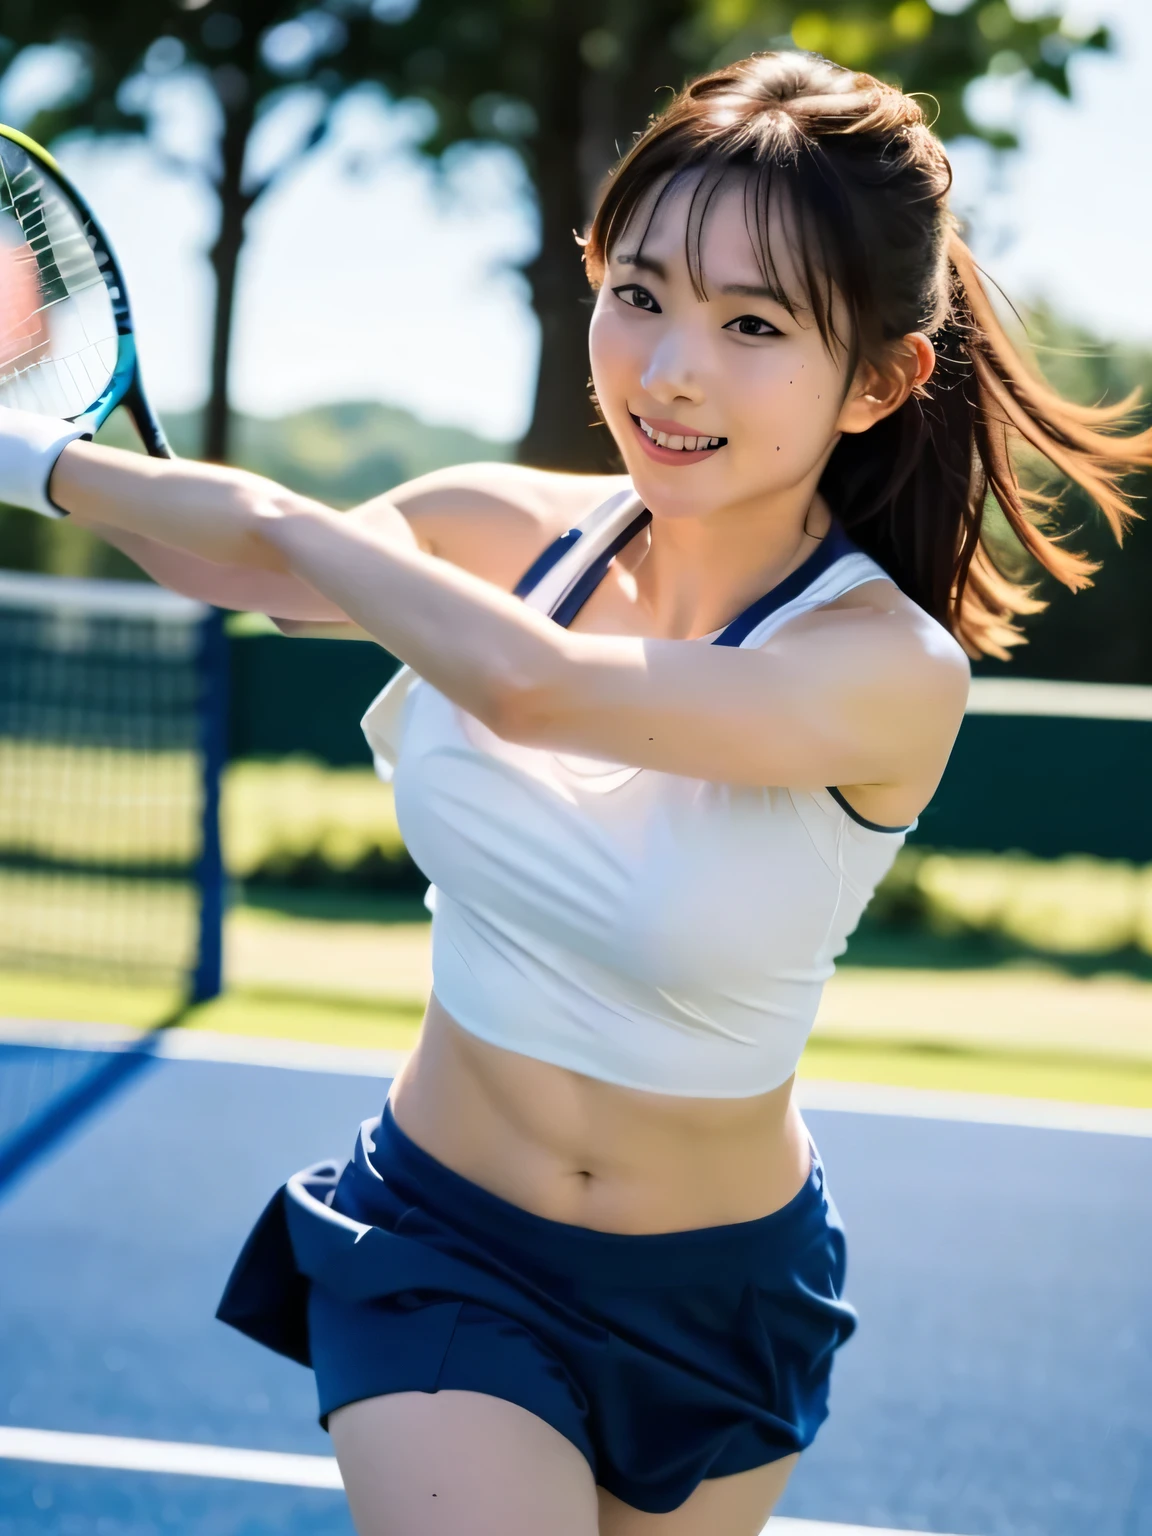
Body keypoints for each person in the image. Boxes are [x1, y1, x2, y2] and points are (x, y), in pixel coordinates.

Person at [3, 50, 1149, 1536]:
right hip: (440, 1240)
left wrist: (269, 512)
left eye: (753, 324)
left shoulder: (889, 669)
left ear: (878, 380)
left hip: (724, 1296)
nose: (671, 369)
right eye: (643, 294)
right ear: (594, 275)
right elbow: (253, 572)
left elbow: (529, 684)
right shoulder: (498, 525)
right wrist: (45, 467)